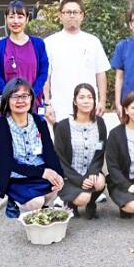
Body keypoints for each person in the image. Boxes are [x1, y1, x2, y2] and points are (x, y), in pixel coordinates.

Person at [0, 78, 63, 218]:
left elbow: (49, 152)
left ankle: (41, 218)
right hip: (16, 177)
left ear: (31, 99)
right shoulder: (1, 126)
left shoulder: (38, 121)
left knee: (55, 188)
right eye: (15, 96)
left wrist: (58, 174)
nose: (20, 101)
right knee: (36, 201)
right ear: (7, 100)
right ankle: (14, 201)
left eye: (25, 96)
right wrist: (43, 173)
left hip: (40, 171)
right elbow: (8, 163)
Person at [44, 0, 110, 124]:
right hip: (60, 108)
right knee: (61, 143)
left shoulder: (93, 41)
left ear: (82, 15)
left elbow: (100, 73)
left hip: (88, 106)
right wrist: (47, 104)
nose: (72, 16)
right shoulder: (49, 42)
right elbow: (46, 76)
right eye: (68, 12)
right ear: (60, 15)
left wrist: (102, 101)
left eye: (75, 12)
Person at [53, 83, 107, 219]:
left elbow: (99, 152)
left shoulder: (100, 123)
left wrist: (93, 172)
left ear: (94, 101)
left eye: (90, 97)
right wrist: (79, 180)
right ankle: (71, 203)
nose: (86, 101)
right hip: (70, 176)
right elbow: (60, 160)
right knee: (82, 197)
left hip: (90, 173)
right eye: (82, 97)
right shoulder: (63, 126)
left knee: (100, 181)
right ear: (75, 101)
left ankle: (91, 204)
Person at [0, 0, 49, 113]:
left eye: (20, 17)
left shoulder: (38, 44)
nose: (15, 21)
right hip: (8, 104)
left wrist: (30, 95)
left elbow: (43, 73)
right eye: (11, 17)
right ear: (6, 19)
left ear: (27, 19)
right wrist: (11, 96)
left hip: (33, 104)